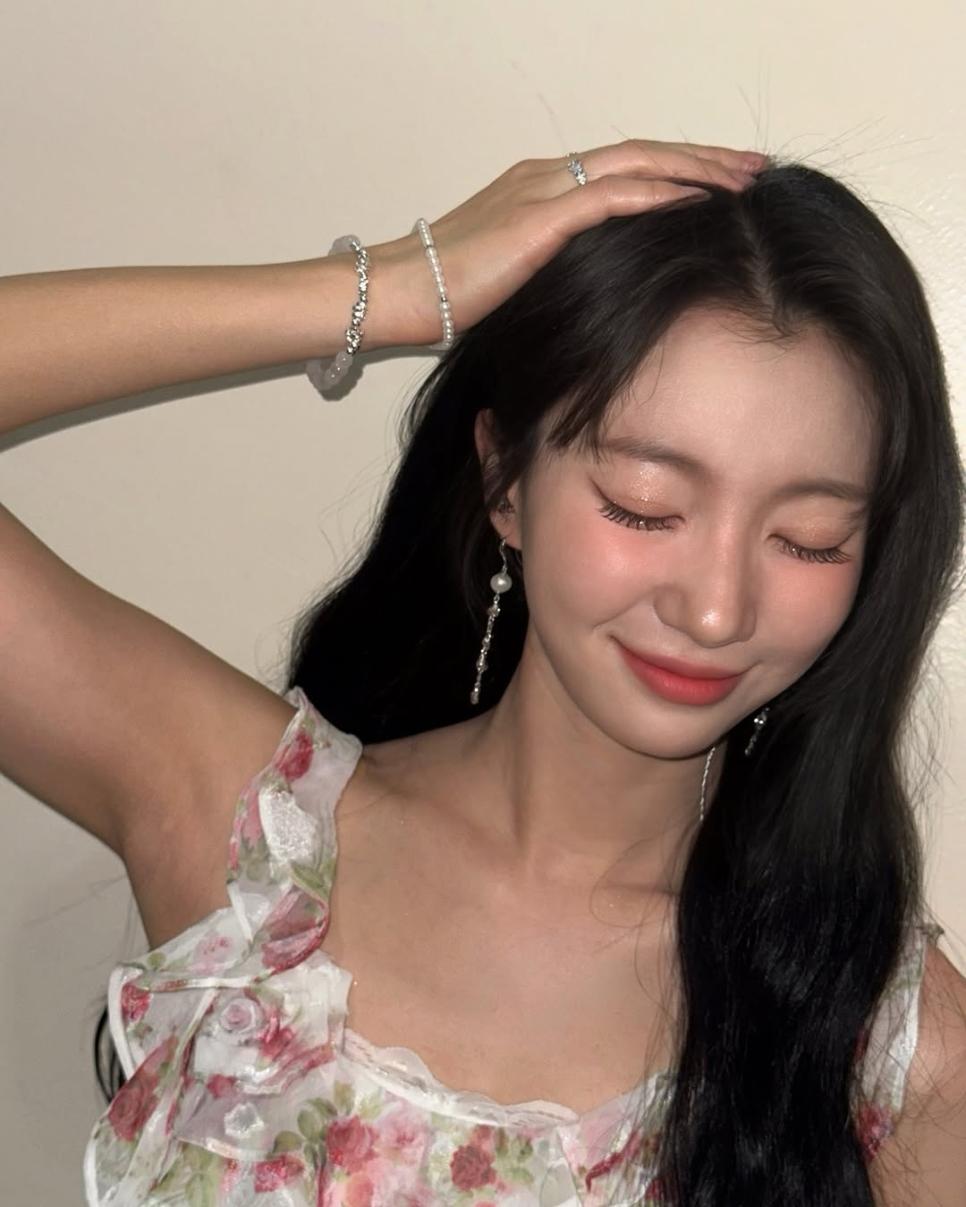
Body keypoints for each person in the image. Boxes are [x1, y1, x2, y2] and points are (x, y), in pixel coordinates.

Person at [1, 138, 964, 1206]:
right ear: (506, 481)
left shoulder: (883, 1043)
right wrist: (394, 287)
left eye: (809, 539)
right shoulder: (253, 839)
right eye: (645, 506)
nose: (715, 609)